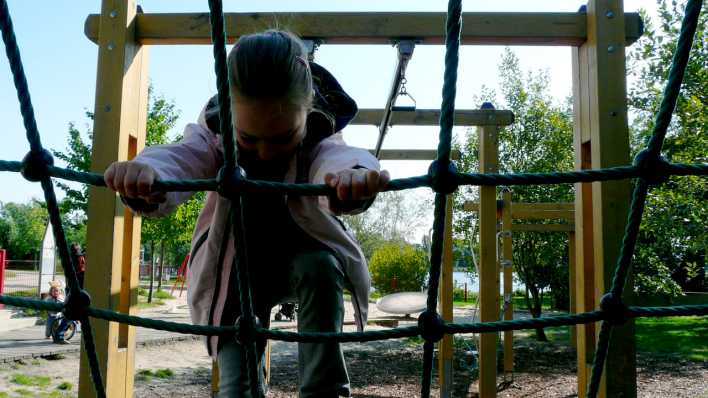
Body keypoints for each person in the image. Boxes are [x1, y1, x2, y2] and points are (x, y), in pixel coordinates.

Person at [104, 30, 389, 397]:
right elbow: (182, 156)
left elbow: (337, 158)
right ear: (230, 114)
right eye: (249, 139)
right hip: (235, 274)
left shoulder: (319, 138)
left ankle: (325, 390)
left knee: (319, 265)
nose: (266, 151)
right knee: (236, 388)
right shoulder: (217, 135)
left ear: (308, 114)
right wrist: (147, 173)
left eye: (283, 137)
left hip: (303, 260)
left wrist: (353, 176)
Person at [44, 280, 70, 344]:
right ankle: (48, 335)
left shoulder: (61, 298)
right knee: (49, 326)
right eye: (53, 291)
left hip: (58, 315)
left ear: (59, 292)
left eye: (57, 291)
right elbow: (45, 305)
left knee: (57, 326)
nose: (55, 292)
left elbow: (63, 303)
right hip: (51, 315)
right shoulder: (49, 299)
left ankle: (56, 335)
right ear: (51, 292)